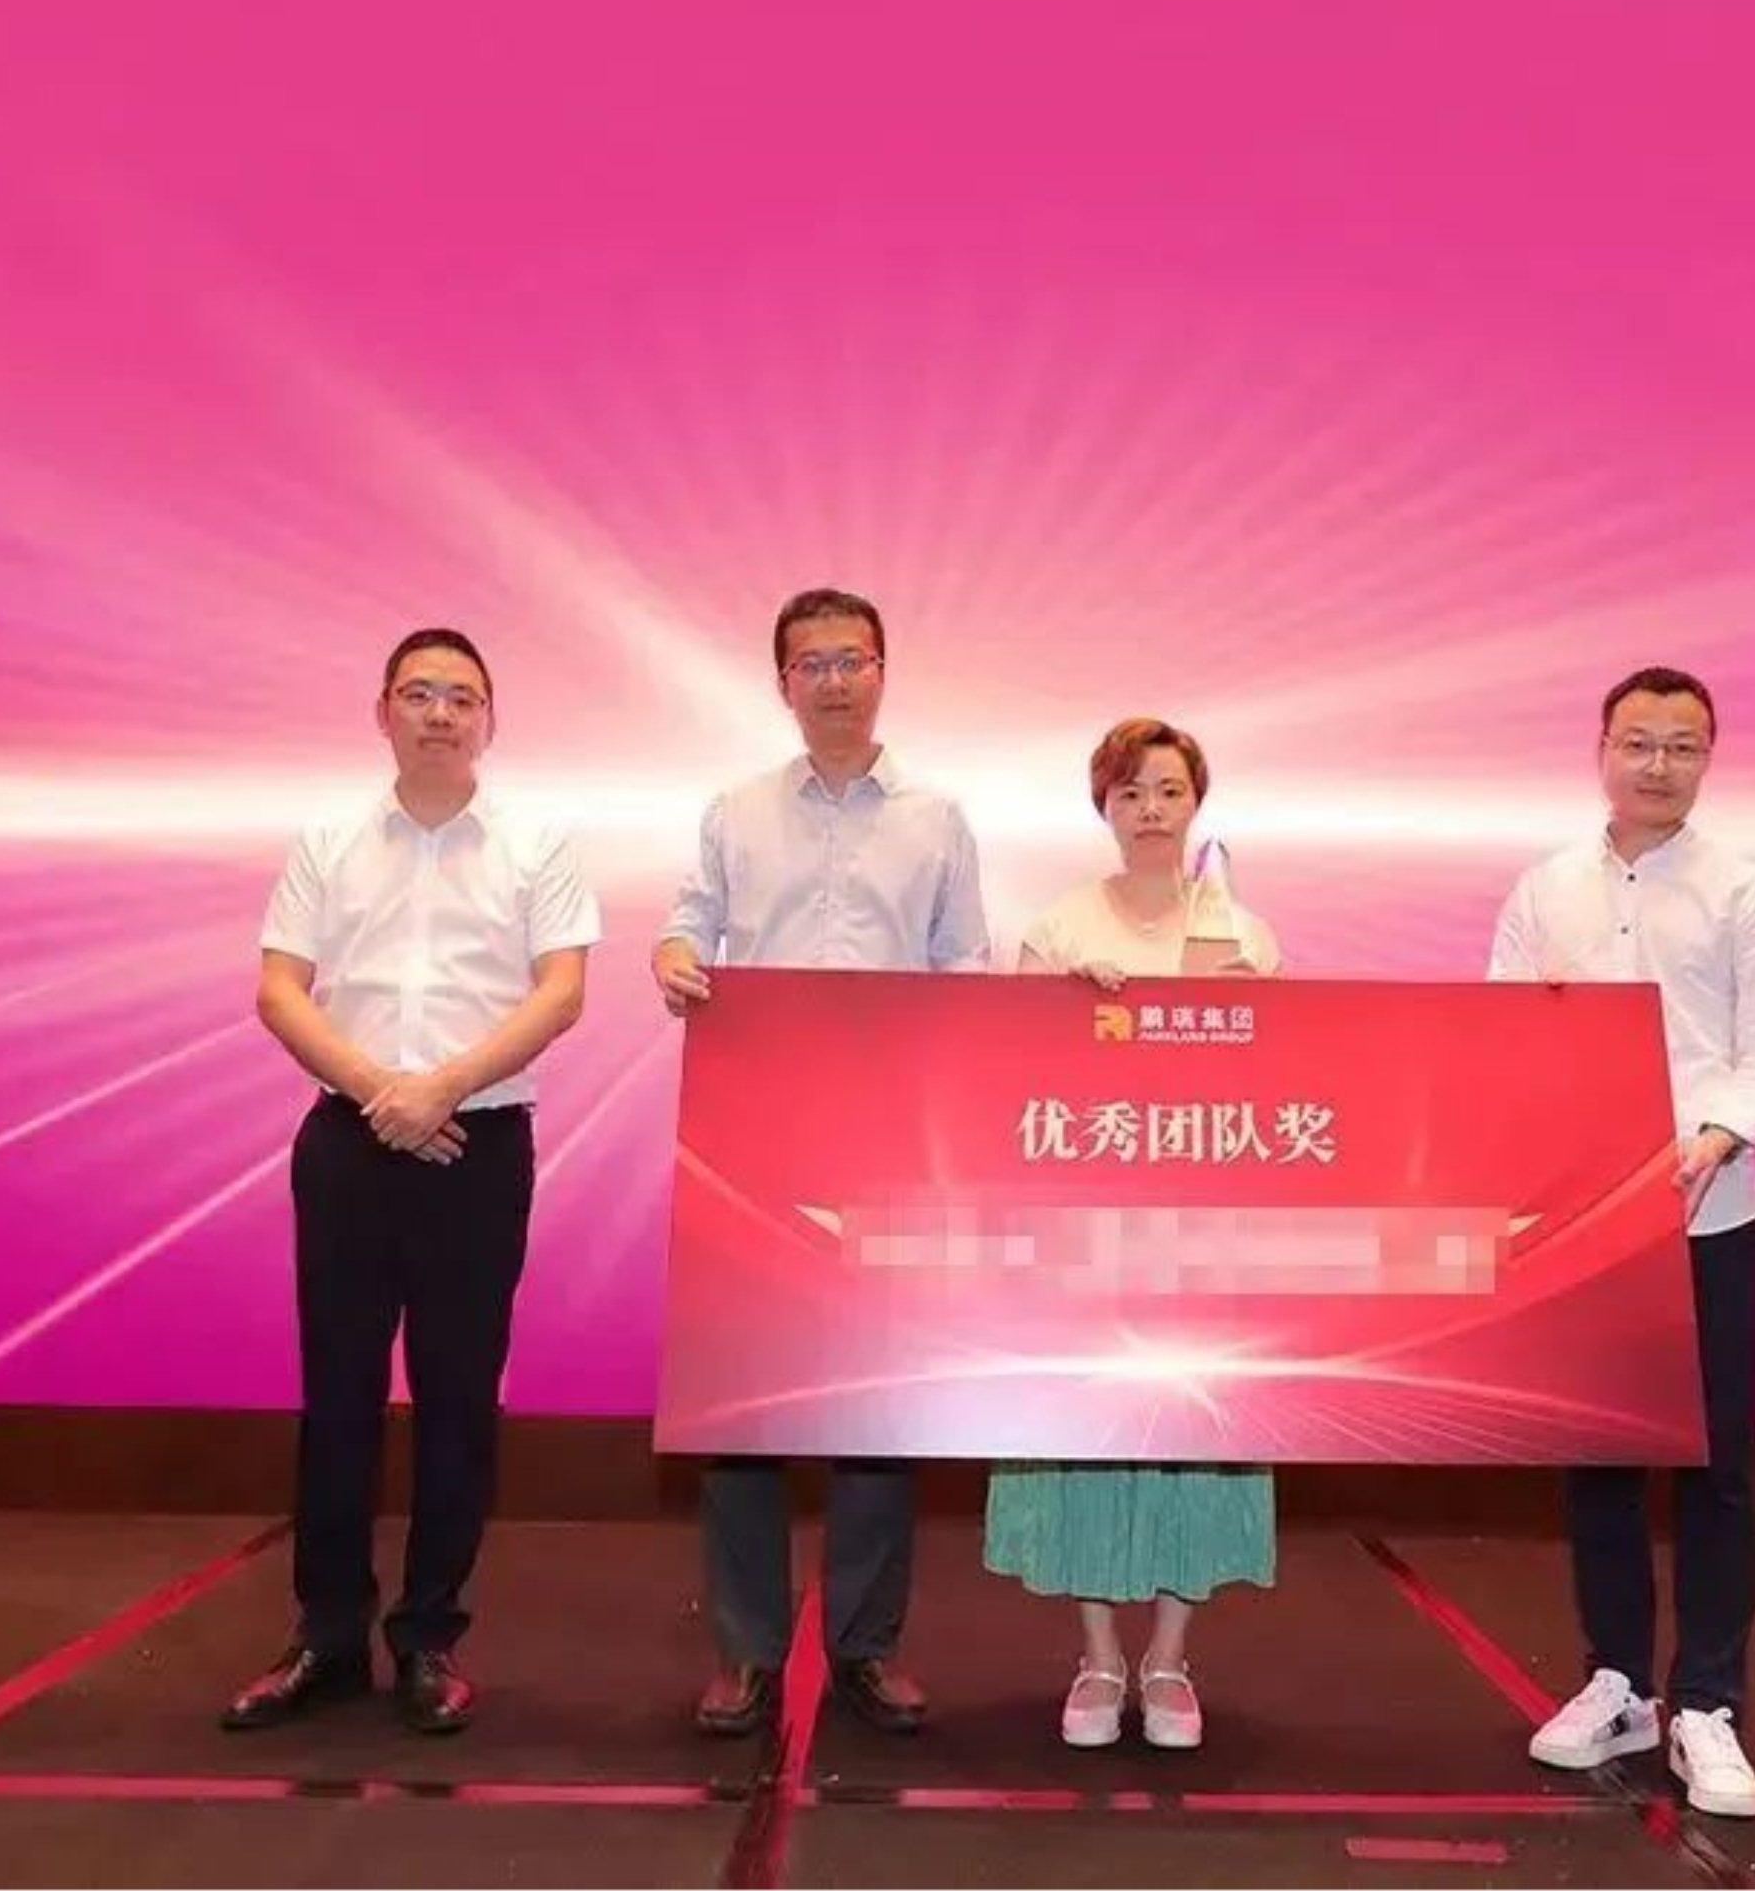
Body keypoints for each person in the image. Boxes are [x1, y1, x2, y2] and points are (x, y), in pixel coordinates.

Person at [224, 627, 600, 1736]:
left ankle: (430, 1634)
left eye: (462, 696)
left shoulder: (536, 842)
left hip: (477, 1146)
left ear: (491, 720)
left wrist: (442, 1089)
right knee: (337, 1394)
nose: (441, 713)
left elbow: (561, 991)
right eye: (420, 693)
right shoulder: (329, 839)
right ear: (382, 711)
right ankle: (326, 1634)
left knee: (457, 1399)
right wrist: (383, 1093)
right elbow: (280, 989)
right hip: (348, 1141)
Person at [654, 586, 992, 1738]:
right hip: (755, 1132)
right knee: (743, 1399)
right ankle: (745, 1651)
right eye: (813, 664)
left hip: (891, 1138)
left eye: (854, 660)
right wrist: (673, 953)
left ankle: (866, 1646)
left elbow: (965, 968)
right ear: (782, 684)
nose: (836, 681)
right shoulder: (736, 811)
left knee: (875, 1402)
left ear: (884, 673)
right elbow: (691, 921)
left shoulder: (938, 818)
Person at [1489, 665, 1755, 1818]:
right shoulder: (1545, 889)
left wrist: (1720, 1133)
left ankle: (1709, 1702)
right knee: (1600, 1460)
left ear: (1708, 758)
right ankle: (1618, 1681)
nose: (1658, 764)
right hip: (1589, 1223)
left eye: (1682, 745)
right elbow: (1499, 1041)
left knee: (1717, 1470)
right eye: (1638, 742)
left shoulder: (1742, 891)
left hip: (1708, 1214)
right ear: (1602, 751)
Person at [983, 718, 1279, 1753]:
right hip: (1086, 1230)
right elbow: (1012, 1080)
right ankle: (1100, 1654)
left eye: (1169, 791)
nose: (1151, 810)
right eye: (1129, 793)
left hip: (1207, 1228)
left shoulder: (1244, 933)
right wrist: (1070, 1011)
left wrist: (1242, 1006)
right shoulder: (1060, 926)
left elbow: (1287, 1085)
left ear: (1197, 802)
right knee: (1089, 1430)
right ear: (1103, 808)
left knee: (1194, 1426)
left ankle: (1170, 1657)